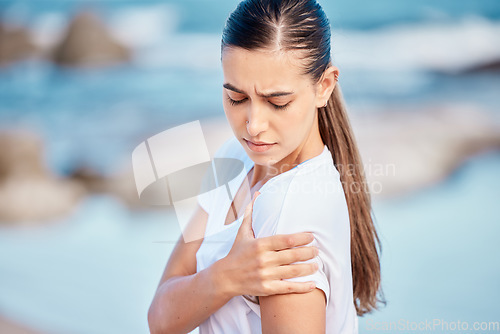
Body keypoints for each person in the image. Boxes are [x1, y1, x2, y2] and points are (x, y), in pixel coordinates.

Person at [148, 0, 383, 333]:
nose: (253, 125)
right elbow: (159, 317)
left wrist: (215, 281)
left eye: (278, 102)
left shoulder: (290, 213)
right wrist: (227, 276)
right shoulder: (235, 157)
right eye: (237, 98)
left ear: (324, 87)